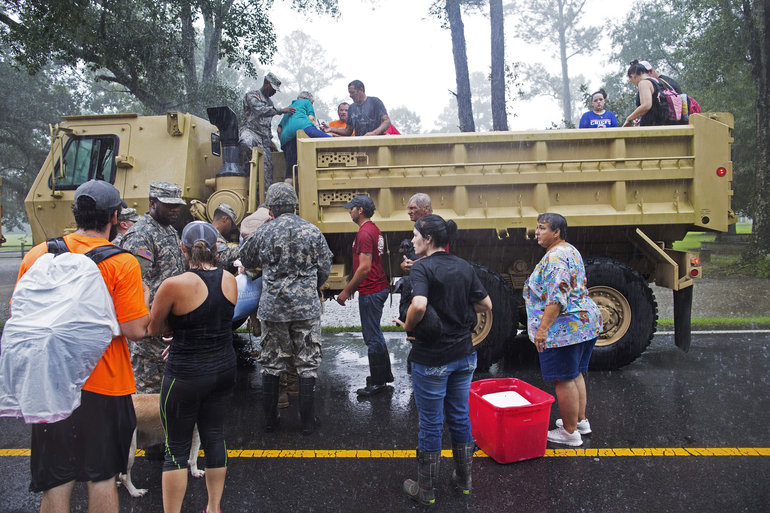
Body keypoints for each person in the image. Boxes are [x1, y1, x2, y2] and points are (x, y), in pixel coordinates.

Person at [16, 179, 149, 513]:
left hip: (51, 385)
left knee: (57, 479)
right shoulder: (122, 263)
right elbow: (135, 330)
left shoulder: (40, 254)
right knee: (102, 477)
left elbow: (21, 315)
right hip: (105, 386)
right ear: (115, 217)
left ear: (76, 213)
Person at [394, 214, 492, 506]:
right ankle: (464, 482)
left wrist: (409, 325)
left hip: (432, 358)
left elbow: (420, 304)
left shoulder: (422, 267)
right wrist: (455, 302)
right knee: (460, 417)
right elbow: (485, 304)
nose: (412, 240)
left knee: (432, 423)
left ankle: (425, 490)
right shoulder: (462, 265)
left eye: (415, 235)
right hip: (464, 355)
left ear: (429, 239)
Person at [147, 221, 237, 513]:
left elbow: (153, 328)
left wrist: (175, 334)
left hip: (185, 374)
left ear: (182, 249)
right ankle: (214, 507)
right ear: (215, 249)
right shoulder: (229, 279)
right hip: (223, 370)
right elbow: (215, 321)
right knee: (213, 435)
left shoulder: (173, 285)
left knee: (176, 448)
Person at [239, 183, 333, 435]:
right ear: (295, 205)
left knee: (271, 362)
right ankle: (306, 423)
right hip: (306, 308)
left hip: (273, 308)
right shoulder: (312, 231)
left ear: (271, 209)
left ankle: (270, 421)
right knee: (307, 362)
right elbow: (325, 266)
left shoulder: (264, 231)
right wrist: (310, 287)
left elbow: (245, 258)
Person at [524, 213, 602, 447]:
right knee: (574, 373)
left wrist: (543, 330)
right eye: (537, 228)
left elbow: (556, 298)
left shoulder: (556, 258)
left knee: (563, 378)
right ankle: (579, 422)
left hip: (565, 329)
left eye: (542, 228)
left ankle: (569, 433)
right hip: (584, 323)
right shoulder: (570, 250)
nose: (537, 232)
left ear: (556, 232)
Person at [119, 181, 187, 393]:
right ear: (152, 204)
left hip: (168, 326)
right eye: (168, 205)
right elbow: (133, 285)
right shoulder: (141, 235)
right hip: (150, 332)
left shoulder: (169, 231)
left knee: (169, 390)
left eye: (177, 205)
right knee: (148, 391)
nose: (174, 210)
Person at [336, 195, 394, 396]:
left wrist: (347, 290)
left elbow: (365, 268)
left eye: (351, 208)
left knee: (372, 337)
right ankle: (383, 377)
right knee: (375, 333)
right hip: (376, 287)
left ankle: (378, 383)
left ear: (360, 210)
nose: (348, 211)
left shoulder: (364, 233)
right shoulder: (373, 229)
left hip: (372, 290)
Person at [239, 72, 296, 193]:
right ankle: (246, 170)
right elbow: (260, 110)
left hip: (264, 139)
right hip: (251, 131)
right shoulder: (252, 95)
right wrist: (281, 110)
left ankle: (265, 199)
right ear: (266, 83)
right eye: (273, 89)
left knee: (268, 169)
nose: (274, 92)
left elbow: (267, 124)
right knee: (245, 142)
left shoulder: (270, 103)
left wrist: (270, 141)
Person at [277, 91, 330, 183]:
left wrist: (284, 143)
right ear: (309, 99)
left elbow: (279, 129)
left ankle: (288, 190)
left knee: (291, 171)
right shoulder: (306, 102)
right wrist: (315, 128)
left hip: (286, 138)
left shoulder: (289, 109)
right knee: (331, 140)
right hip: (303, 127)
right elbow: (311, 118)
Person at [322, 80, 391, 136]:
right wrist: (331, 129)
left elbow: (387, 122)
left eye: (352, 92)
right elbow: (348, 131)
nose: (350, 95)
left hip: (376, 142)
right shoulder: (351, 108)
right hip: (360, 146)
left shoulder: (375, 102)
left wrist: (374, 133)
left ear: (361, 90)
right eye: (349, 93)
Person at [622, 60, 664, 127]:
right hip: (664, 124)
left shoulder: (643, 83)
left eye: (630, 79)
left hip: (651, 126)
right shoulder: (658, 82)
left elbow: (646, 105)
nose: (631, 81)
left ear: (633, 76)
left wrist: (629, 118)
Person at [400, 193, 433, 274]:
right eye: (409, 208)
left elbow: (436, 254)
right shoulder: (421, 225)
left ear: (426, 208)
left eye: (413, 208)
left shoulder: (434, 226)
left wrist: (414, 264)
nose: (409, 212)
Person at [211, 203, 240, 275]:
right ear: (225, 219)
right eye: (232, 224)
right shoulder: (216, 238)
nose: (231, 228)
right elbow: (224, 262)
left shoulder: (204, 232)